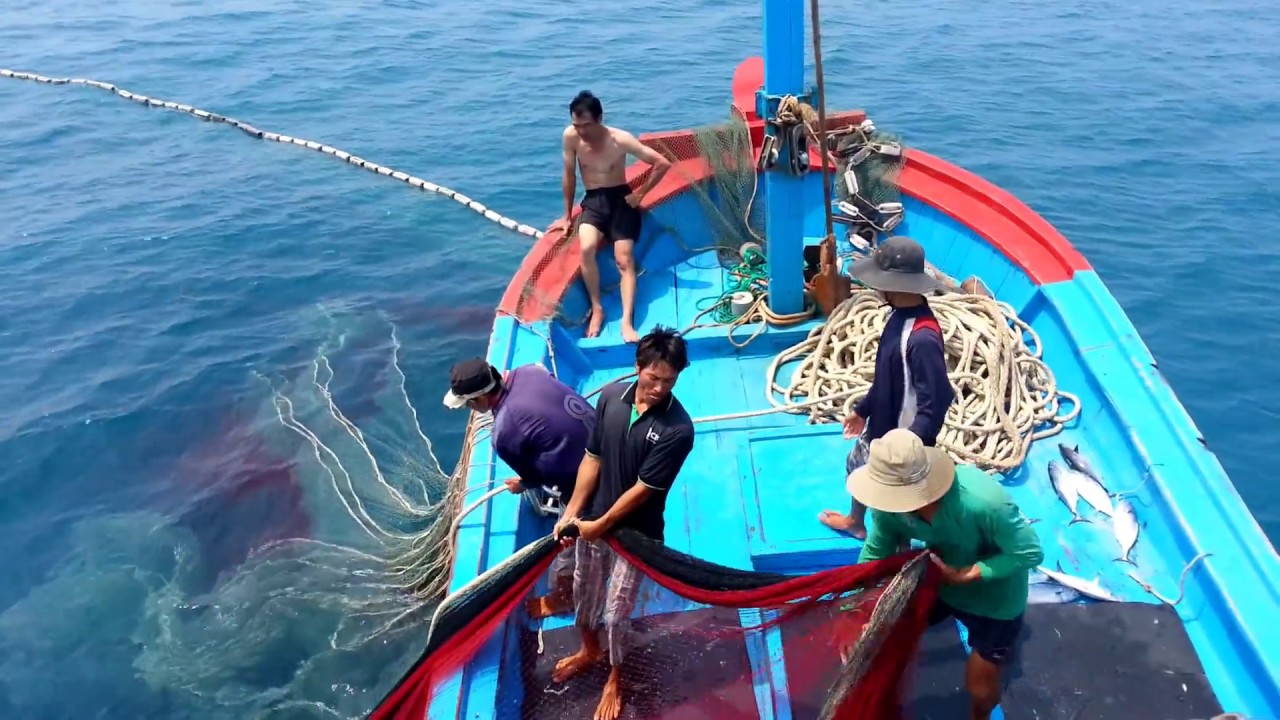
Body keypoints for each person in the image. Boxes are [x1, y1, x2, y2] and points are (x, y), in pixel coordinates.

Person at [550, 326, 695, 720]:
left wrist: (602, 525)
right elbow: (592, 459)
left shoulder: (678, 430)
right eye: (653, 377)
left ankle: (616, 675)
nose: (660, 387)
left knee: (616, 614)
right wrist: (573, 513)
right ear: (638, 367)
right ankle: (588, 649)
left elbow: (643, 491)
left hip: (637, 535)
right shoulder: (612, 397)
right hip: (593, 522)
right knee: (584, 594)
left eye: (670, 380)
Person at [850, 429, 1043, 720]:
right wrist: (854, 608)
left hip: (995, 601)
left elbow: (1030, 552)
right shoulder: (888, 509)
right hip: (938, 585)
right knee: (884, 638)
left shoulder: (983, 502)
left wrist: (973, 574)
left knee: (980, 690)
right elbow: (875, 553)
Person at [819, 235, 957, 539]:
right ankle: (856, 521)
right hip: (881, 427)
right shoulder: (897, 317)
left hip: (904, 441)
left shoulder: (922, 339)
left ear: (894, 286)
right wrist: (863, 410)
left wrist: (906, 449)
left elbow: (937, 401)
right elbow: (886, 379)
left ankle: (899, 545)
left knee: (896, 505)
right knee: (858, 468)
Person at [443, 358, 596, 618]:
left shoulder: (504, 434)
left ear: (478, 401)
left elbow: (541, 475)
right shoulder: (528, 372)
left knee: (566, 541)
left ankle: (564, 597)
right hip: (604, 440)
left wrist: (523, 484)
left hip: (591, 480)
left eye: (468, 403)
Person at [554, 90, 673, 343]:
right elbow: (569, 175)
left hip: (621, 201)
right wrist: (566, 216)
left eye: (586, 125)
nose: (581, 131)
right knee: (585, 249)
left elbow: (662, 163)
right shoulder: (570, 137)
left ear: (599, 119)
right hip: (594, 201)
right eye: (577, 125)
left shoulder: (620, 139)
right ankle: (597, 308)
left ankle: (626, 321)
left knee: (624, 259)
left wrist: (640, 195)